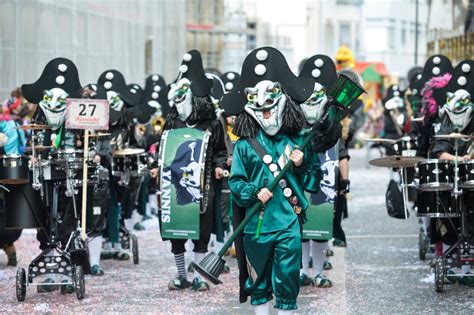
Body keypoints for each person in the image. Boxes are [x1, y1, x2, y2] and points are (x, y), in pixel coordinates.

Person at [222, 47, 340, 313]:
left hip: (288, 222)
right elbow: (236, 183)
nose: (266, 114)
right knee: (259, 284)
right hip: (256, 226)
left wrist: (302, 164)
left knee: (288, 283)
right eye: (259, 109)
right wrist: (254, 191)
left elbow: (312, 182)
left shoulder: (298, 139)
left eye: (270, 108)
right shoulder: (243, 147)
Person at [150, 50, 227, 291]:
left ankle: (199, 277)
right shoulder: (172, 122)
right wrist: (156, 167)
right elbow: (163, 150)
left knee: (202, 230)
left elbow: (221, 152)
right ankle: (181, 274)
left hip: (203, 185)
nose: (180, 104)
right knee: (176, 228)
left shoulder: (212, 124)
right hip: (175, 183)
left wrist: (218, 167)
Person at [430, 60, 474, 285]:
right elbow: (439, 152)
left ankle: (468, 265)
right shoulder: (445, 123)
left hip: (471, 181)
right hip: (450, 181)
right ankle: (449, 260)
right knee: (449, 218)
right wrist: (460, 159)